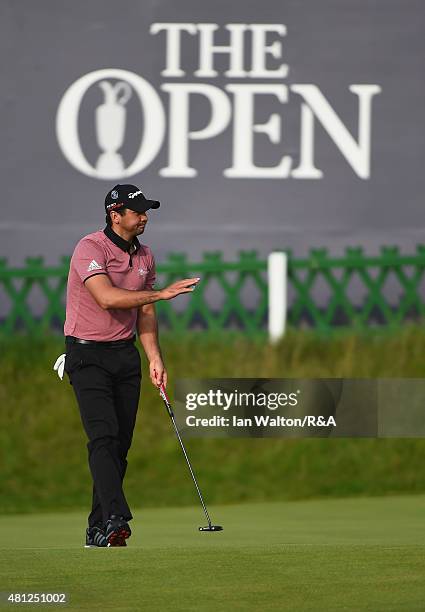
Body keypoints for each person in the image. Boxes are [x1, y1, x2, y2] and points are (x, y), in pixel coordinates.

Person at [61, 184, 199, 548]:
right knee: (102, 436)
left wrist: (155, 357)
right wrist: (162, 292)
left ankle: (98, 527)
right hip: (87, 354)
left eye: (146, 211)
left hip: (125, 356)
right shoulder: (90, 248)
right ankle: (116, 516)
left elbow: (145, 313)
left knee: (119, 445)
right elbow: (107, 298)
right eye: (138, 211)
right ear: (115, 214)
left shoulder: (145, 256)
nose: (144, 217)